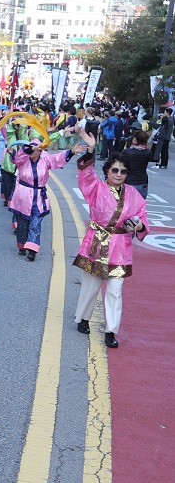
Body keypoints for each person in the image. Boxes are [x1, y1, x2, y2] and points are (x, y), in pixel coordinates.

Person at [73, 147, 149, 349]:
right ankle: (83, 318)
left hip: (120, 247)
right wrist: (90, 151)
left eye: (123, 171)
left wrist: (140, 225)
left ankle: (111, 331)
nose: (119, 174)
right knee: (91, 286)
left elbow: (142, 215)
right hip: (97, 242)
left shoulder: (133, 194)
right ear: (107, 171)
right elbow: (85, 175)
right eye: (114, 170)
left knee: (115, 290)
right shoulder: (96, 188)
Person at [8, 134, 76, 261]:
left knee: (35, 223)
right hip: (22, 196)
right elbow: (18, 157)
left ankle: (32, 249)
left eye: (36, 149)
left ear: (41, 151)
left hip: (39, 196)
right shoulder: (23, 160)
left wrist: (71, 152)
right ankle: (22, 245)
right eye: (30, 149)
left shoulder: (46, 159)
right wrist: (28, 149)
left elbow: (57, 159)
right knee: (22, 223)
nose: (32, 151)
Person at [121, 129, 153, 198]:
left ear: (135, 140)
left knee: (127, 204)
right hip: (143, 182)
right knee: (140, 206)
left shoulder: (127, 152)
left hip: (129, 181)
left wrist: (126, 147)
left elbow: (120, 161)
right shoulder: (148, 152)